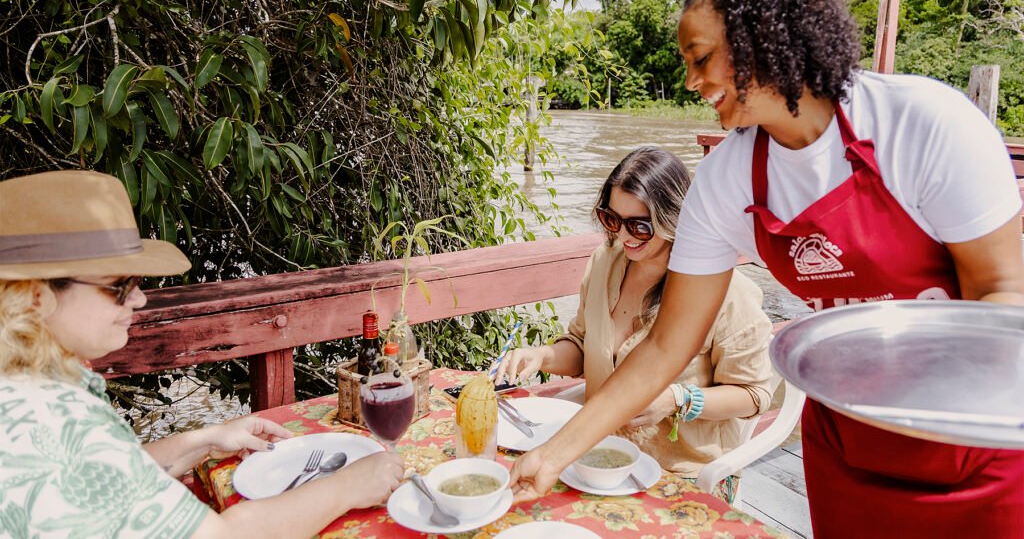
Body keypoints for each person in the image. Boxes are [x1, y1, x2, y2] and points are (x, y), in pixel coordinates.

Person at [508, 0, 1024, 537]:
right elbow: (665, 346)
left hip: (970, 440)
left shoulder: (926, 125)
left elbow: (1001, 292)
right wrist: (551, 456)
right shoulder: (726, 179)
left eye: (701, 58)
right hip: (847, 437)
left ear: (766, 37)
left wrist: (936, 412)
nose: (691, 82)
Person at [0, 170, 405, 539]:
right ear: (36, 296)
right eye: (118, 286)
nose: (139, 299)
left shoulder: (25, 388)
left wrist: (206, 440)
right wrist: (346, 487)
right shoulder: (55, 416)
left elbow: (109, 474)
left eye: (136, 282)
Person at [492, 146, 773, 502]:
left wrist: (677, 399)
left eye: (639, 226)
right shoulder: (605, 262)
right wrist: (542, 356)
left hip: (684, 474)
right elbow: (582, 347)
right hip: (596, 457)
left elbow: (754, 396)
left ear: (673, 218)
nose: (623, 237)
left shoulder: (727, 292)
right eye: (611, 219)